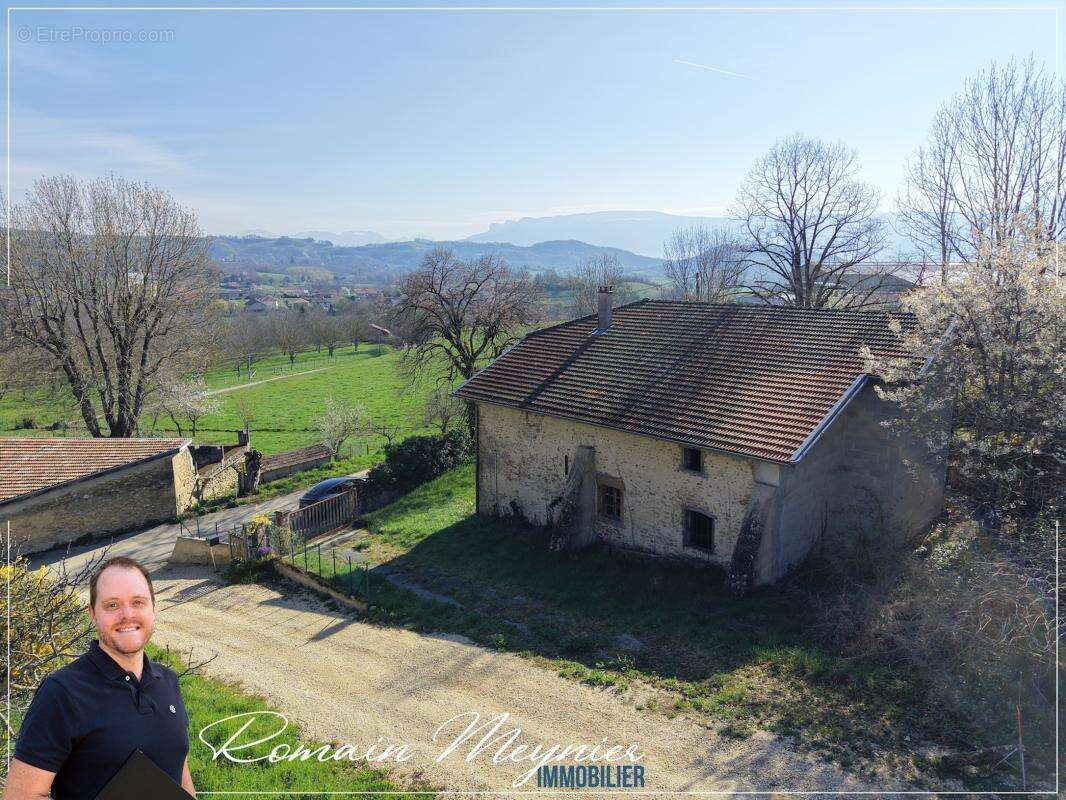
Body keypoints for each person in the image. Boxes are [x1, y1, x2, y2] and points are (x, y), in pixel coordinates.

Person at [3, 556, 196, 799]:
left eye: (138, 602)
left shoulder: (168, 681)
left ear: (153, 610)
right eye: (112, 605)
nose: (127, 615)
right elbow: (20, 796)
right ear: (92, 614)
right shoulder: (62, 693)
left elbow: (180, 769)